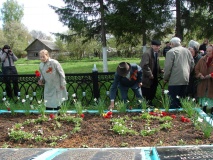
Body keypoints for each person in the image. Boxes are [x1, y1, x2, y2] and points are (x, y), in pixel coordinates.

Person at [163, 37, 194, 109]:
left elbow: (168, 67)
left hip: (174, 80)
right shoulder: (187, 51)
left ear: (172, 44)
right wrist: (188, 72)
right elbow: (192, 64)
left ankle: (173, 117)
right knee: (182, 100)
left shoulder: (171, 52)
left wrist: (165, 78)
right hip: (185, 79)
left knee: (173, 102)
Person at [140, 40, 163, 106]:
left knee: (153, 90)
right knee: (147, 91)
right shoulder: (147, 53)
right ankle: (146, 105)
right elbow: (144, 65)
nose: (158, 47)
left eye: (159, 46)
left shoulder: (156, 53)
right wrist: (149, 74)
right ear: (152, 46)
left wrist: (160, 70)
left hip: (154, 76)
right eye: (156, 46)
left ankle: (150, 103)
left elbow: (156, 63)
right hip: (147, 77)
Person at [195, 46, 213, 114]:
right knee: (203, 97)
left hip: (211, 83)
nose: (208, 53)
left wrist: (211, 75)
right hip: (203, 82)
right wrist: (200, 75)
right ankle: (203, 111)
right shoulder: (202, 59)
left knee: (211, 97)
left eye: (210, 51)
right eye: (207, 51)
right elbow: (196, 69)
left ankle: (211, 113)